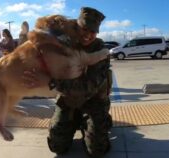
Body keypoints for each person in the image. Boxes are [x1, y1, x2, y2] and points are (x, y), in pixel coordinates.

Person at [23, 7, 113, 157]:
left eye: (93, 31)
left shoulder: (100, 50)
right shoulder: (64, 43)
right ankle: (77, 120)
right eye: (84, 29)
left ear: (97, 32)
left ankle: (101, 121)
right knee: (57, 147)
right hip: (68, 99)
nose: (87, 35)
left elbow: (87, 88)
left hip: (93, 100)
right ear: (76, 27)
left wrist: (51, 82)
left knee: (96, 150)